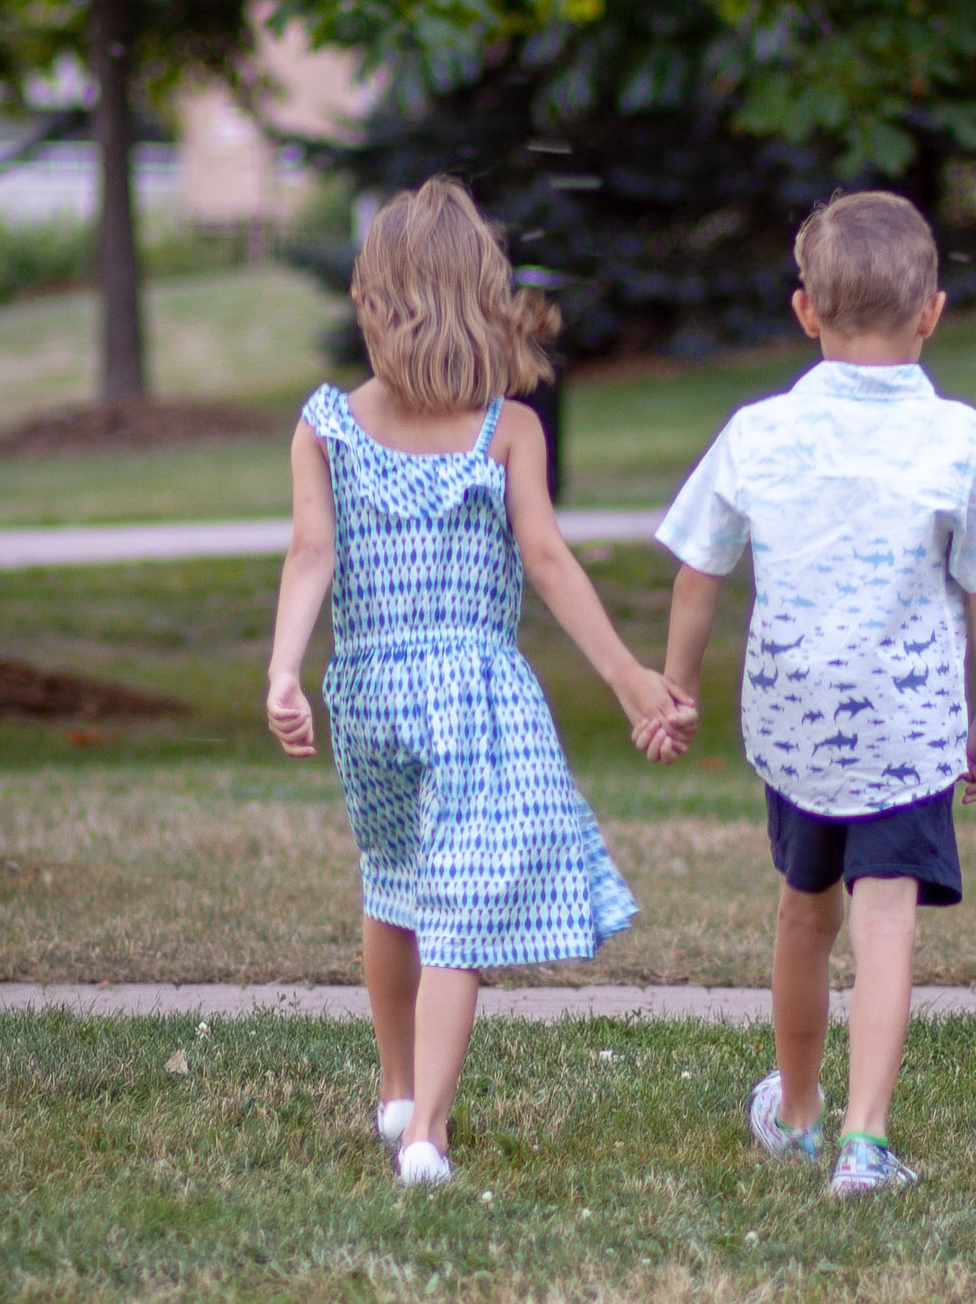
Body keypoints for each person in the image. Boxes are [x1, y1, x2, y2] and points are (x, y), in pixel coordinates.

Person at [267, 175, 694, 1186]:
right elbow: (546, 560)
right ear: (483, 305)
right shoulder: (508, 429)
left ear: (373, 302)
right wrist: (630, 674)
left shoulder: (324, 422)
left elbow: (307, 555)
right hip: (470, 692)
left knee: (393, 881)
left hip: (364, 689)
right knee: (455, 900)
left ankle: (399, 1089)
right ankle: (427, 1137)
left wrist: (286, 668)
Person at [637, 190, 976, 1196]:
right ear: (933, 311)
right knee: (886, 921)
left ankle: (796, 1110)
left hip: (792, 718)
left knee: (802, 914)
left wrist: (677, 683)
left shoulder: (757, 429)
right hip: (910, 728)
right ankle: (864, 1143)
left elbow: (699, 569)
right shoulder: (961, 437)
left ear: (805, 310)